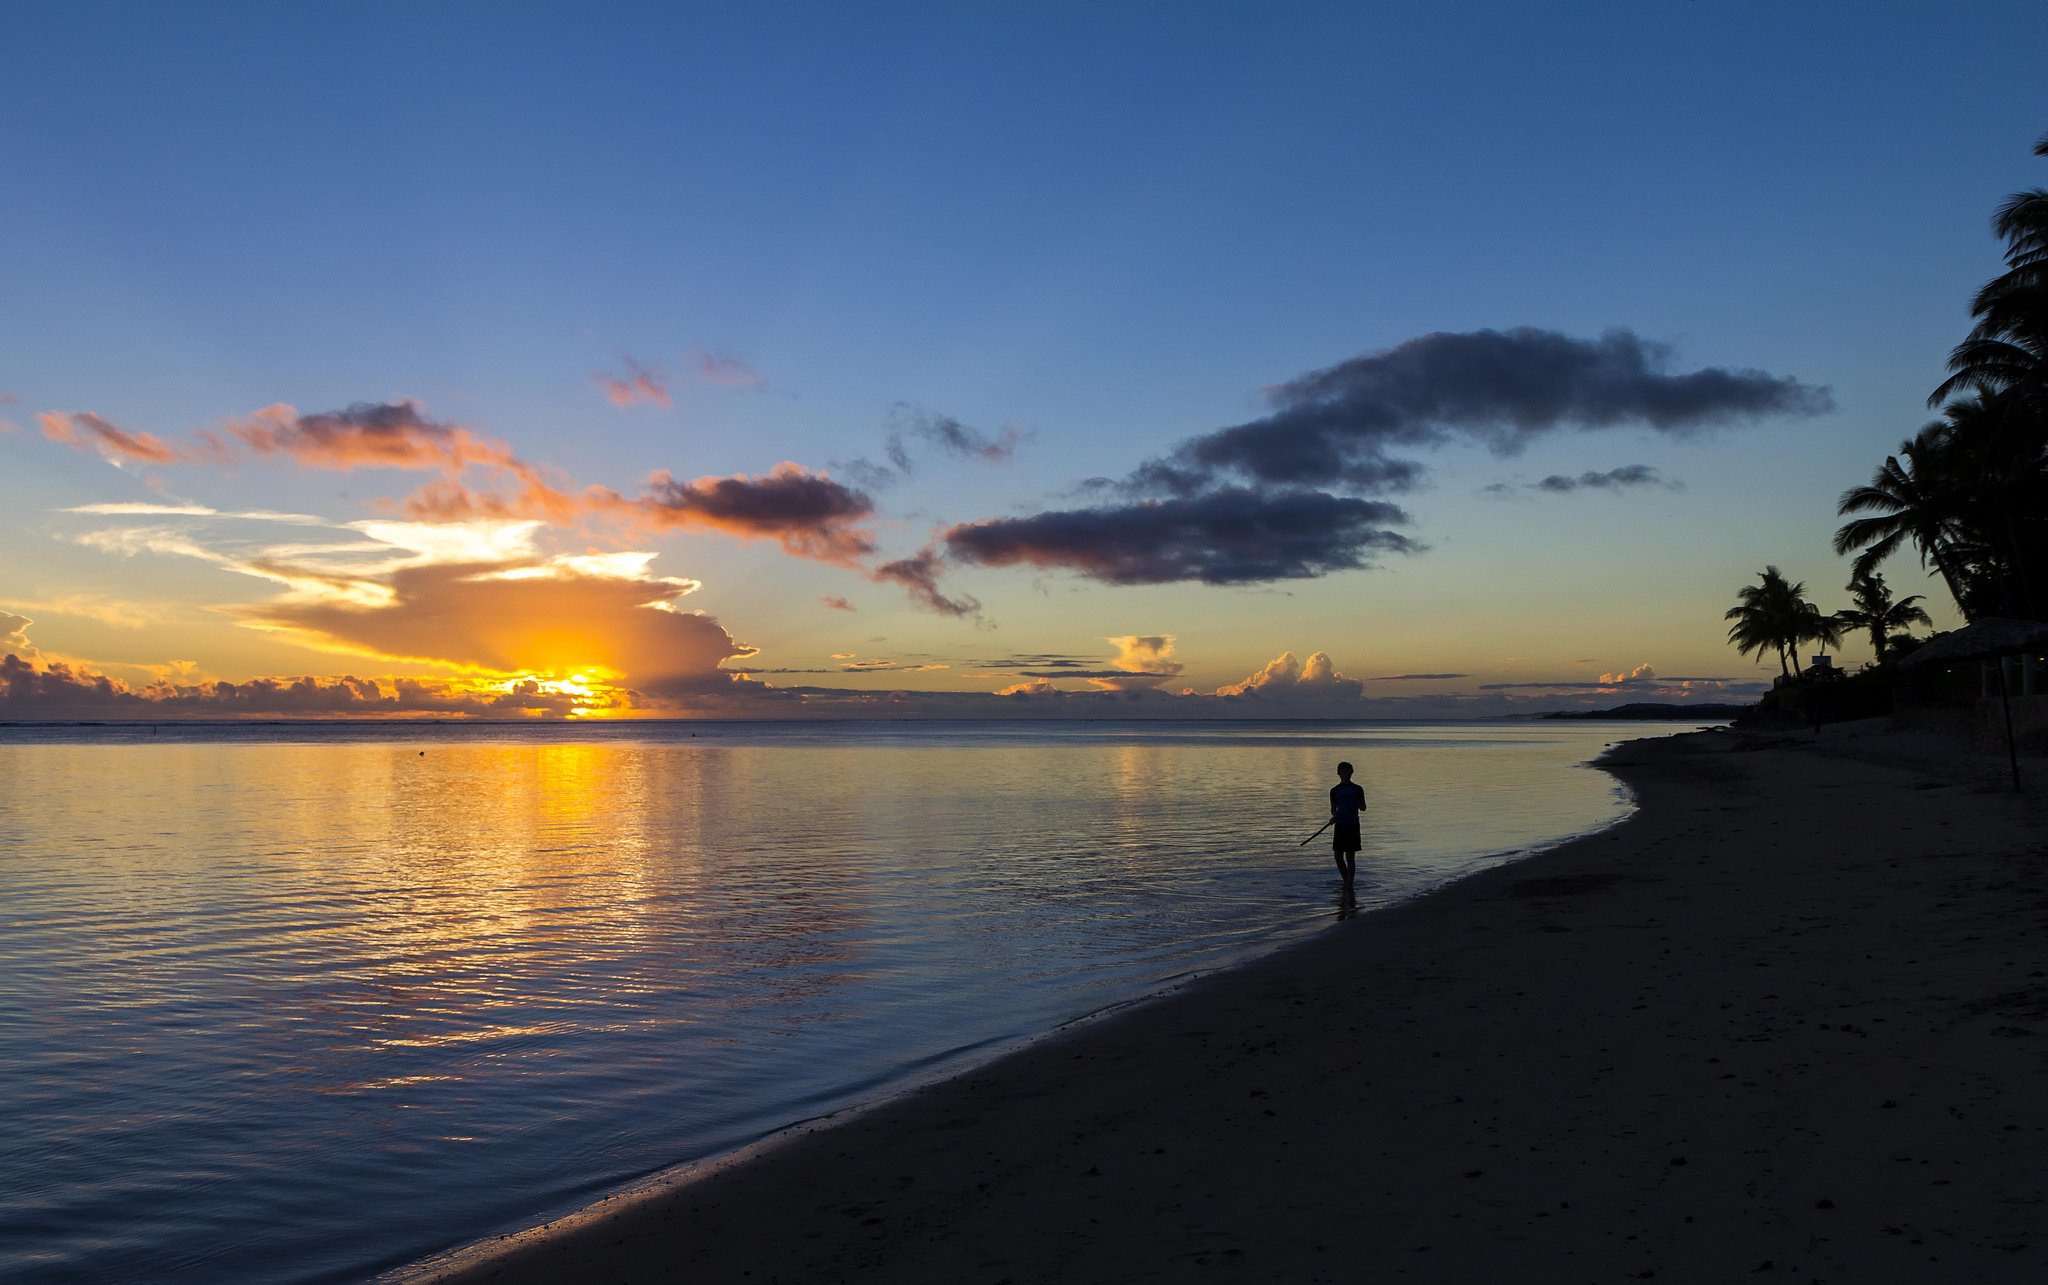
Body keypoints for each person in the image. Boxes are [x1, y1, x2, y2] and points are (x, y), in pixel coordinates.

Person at [1329, 761, 1367, 904]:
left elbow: (1363, 808)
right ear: (1338, 773)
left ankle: (1349, 884)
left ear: (1352, 772)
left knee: (1350, 856)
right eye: (1343, 771)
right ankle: (1347, 881)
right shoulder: (1334, 790)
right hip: (1340, 825)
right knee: (1338, 856)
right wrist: (1334, 816)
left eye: (1348, 771)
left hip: (1352, 825)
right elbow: (1333, 808)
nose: (1346, 774)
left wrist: (1358, 804)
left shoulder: (1357, 789)